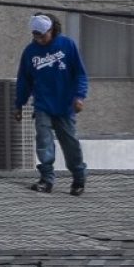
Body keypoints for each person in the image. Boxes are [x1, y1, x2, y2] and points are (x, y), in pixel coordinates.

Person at [14, 12, 89, 195]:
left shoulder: (67, 45)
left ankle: (78, 178)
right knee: (43, 141)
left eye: (43, 35)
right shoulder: (30, 52)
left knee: (70, 144)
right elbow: (24, 80)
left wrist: (79, 96)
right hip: (42, 105)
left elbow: (80, 74)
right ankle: (46, 179)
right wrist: (19, 104)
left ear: (52, 30)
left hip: (65, 105)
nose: (39, 40)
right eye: (35, 35)